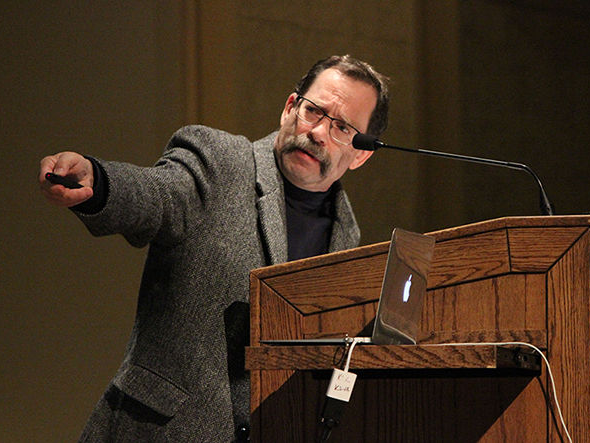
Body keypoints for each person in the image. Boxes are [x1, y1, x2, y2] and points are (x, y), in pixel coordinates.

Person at [39, 55, 389, 442]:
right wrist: (99, 182)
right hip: (161, 432)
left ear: (362, 153)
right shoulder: (219, 161)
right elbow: (156, 194)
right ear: (290, 108)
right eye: (313, 112)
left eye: (341, 127)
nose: (319, 132)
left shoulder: (346, 235)